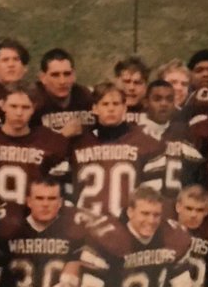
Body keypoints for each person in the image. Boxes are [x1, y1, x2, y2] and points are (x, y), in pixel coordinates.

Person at [68, 81, 166, 217]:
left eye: (116, 104)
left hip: (127, 226)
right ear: (95, 108)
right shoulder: (78, 143)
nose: (111, 109)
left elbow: (152, 193)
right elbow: (65, 190)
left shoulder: (146, 143)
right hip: (86, 225)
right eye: (105, 104)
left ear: (125, 107)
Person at [0, 83, 70, 208]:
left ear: (34, 108)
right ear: (2, 105)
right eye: (13, 106)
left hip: (30, 215)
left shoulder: (49, 141)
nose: (19, 113)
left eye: (25, 107)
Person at [34, 47, 94, 135]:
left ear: (74, 75)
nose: (62, 81)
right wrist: (62, 137)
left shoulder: (86, 97)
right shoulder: (32, 102)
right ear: (43, 78)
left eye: (67, 74)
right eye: (55, 75)